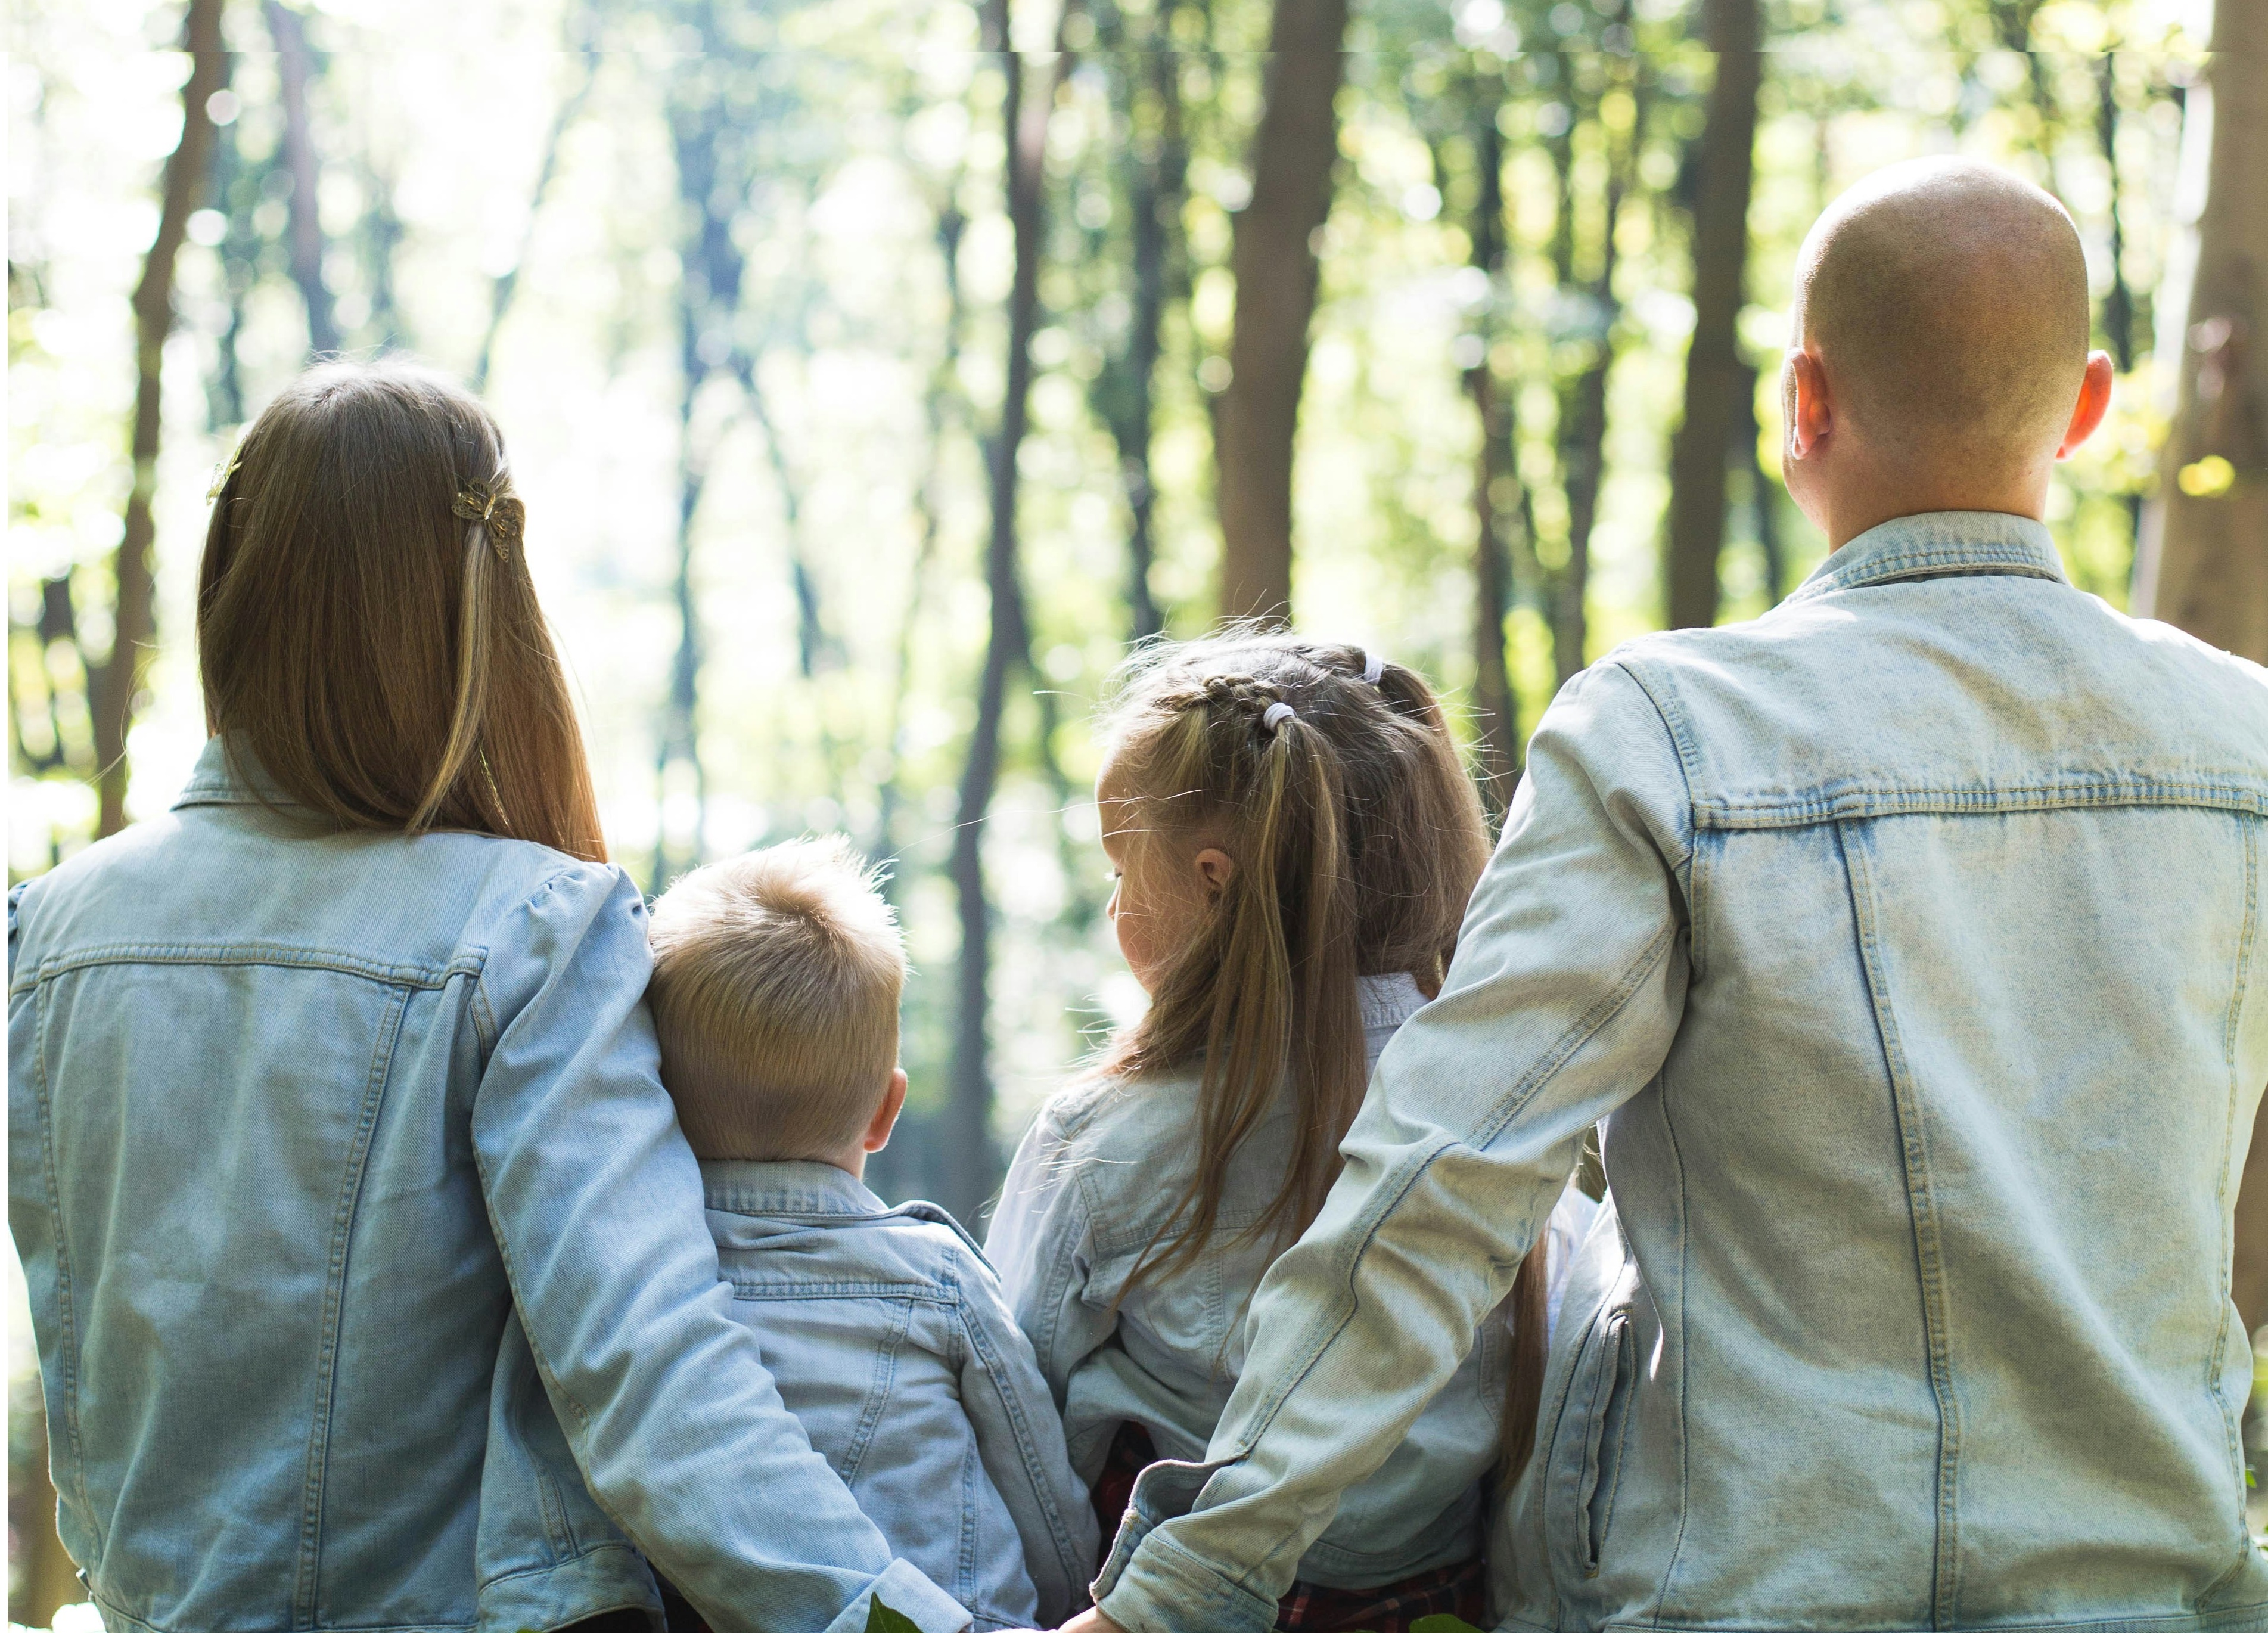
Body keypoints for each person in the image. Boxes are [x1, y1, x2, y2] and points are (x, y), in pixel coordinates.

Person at [1064, 158, 2268, 1633]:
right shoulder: (2244, 745)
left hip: (1736, 1596)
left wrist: (1187, 1580)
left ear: (1801, 402)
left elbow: (1441, 1182)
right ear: (2087, 410)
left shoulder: (1669, 734)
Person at [5, 362, 974, 1633]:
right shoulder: (528, 930)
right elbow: (651, 1381)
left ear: (228, 581)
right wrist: (909, 1619)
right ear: (483, 600)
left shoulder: (49, 930)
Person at [991, 633, 1598, 1633]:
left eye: (1119, 869)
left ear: (1215, 880)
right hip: (1440, 1604)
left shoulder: (1107, 1139)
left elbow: (1019, 1405)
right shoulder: (1512, 1129)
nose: (1111, 905)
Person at [639, 837, 1096, 1633]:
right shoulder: (935, 1279)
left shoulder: (631, 1285)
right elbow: (1042, 1499)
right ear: (886, 1113)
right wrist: (1076, 1602)